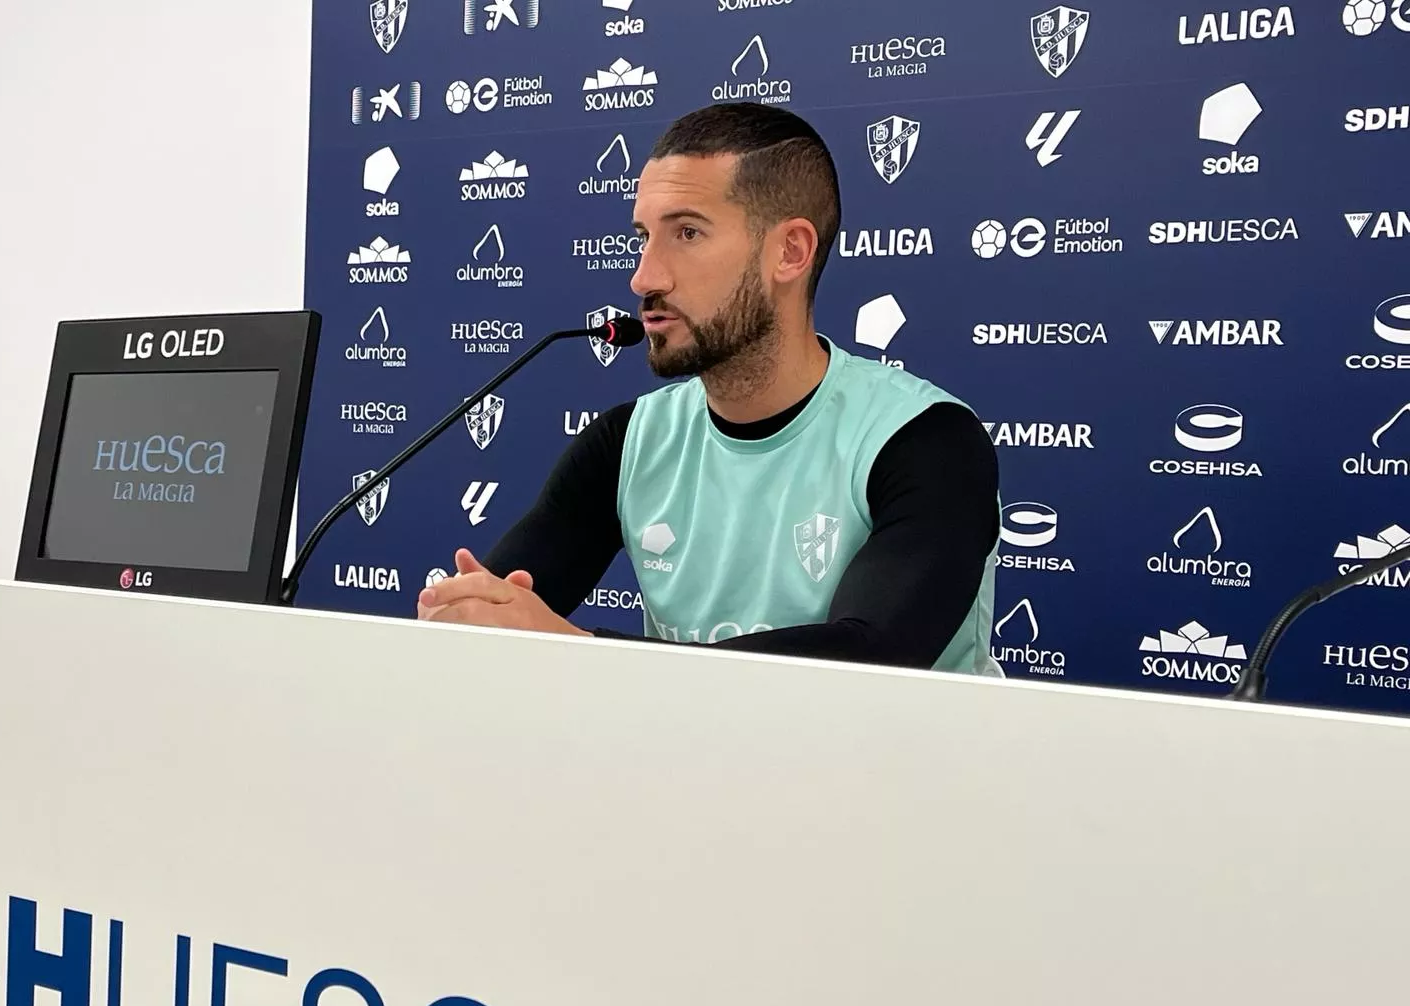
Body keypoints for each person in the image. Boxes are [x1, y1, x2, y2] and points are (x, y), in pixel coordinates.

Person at [417, 101, 1001, 673]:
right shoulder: (628, 442)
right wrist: (467, 618)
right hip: (685, 766)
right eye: (644, 235)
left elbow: (871, 659)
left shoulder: (923, 440)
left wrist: (577, 648)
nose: (644, 276)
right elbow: (495, 624)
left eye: (688, 233)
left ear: (790, 252)